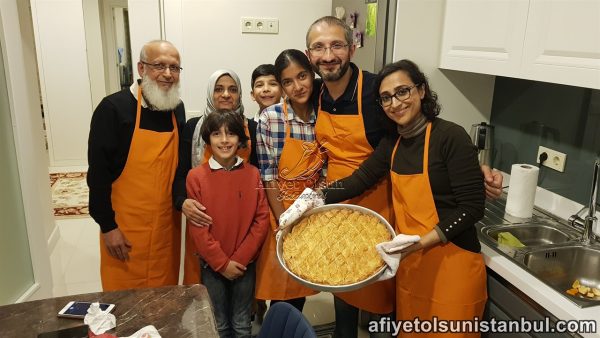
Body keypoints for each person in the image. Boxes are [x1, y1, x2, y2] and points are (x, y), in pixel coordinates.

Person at [304, 16, 503, 337]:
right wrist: (311, 200)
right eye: (387, 97)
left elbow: (471, 207)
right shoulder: (392, 143)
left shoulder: (449, 136)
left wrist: (421, 242)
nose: (395, 102)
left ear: (421, 90)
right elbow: (359, 179)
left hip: (449, 261)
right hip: (410, 262)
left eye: (403, 92)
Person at [87, 40, 185, 291]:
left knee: (164, 299)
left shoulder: (177, 109)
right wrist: (108, 227)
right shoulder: (113, 109)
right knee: (126, 305)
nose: (167, 74)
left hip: (166, 230)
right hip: (125, 231)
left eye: (174, 68)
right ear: (141, 69)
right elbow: (97, 176)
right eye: (158, 66)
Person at [186, 110, 269, 337]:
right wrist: (222, 263)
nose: (224, 140)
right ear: (208, 139)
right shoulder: (196, 177)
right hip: (212, 266)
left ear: (240, 139)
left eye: (231, 134)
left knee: (242, 323)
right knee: (218, 323)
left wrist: (240, 259)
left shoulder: (253, 174)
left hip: (245, 264)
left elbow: (261, 220)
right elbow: (198, 227)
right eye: (216, 134)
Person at [255, 49, 326, 312]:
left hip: (313, 211)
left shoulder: (324, 116)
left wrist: (309, 210)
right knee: (280, 288)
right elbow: (268, 176)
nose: (297, 87)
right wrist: (286, 220)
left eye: (302, 76)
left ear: (312, 74)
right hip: (281, 211)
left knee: (302, 285)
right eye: (287, 82)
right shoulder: (270, 118)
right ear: (281, 86)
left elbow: (326, 171)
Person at [173, 69, 259, 285]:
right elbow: (181, 174)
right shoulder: (193, 127)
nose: (226, 95)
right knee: (206, 292)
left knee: (243, 292)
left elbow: (257, 179)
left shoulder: (252, 129)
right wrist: (182, 202)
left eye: (233, 89)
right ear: (210, 93)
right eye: (219, 89)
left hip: (241, 227)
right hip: (204, 224)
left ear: (240, 94)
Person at [248, 63, 283, 322]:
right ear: (252, 94)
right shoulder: (249, 126)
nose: (266, 89)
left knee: (280, 266)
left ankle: (278, 316)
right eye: (260, 85)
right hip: (255, 201)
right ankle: (257, 307)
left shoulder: (288, 120)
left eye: (272, 83)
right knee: (257, 262)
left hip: (282, 199)